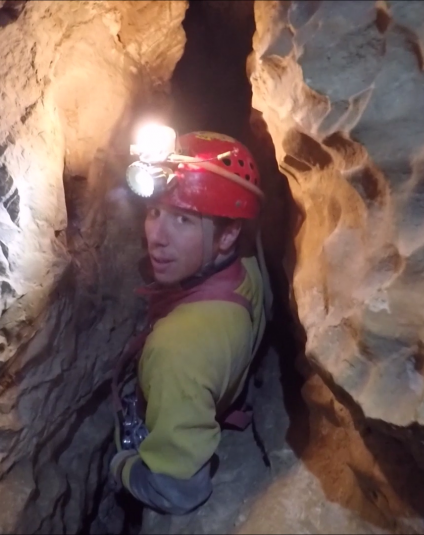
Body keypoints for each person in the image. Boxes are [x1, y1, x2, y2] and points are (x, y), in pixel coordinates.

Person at [109, 130, 270, 516]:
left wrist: (121, 467)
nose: (156, 238)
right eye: (155, 212)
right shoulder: (244, 261)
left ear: (228, 234)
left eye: (183, 219)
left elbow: (178, 491)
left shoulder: (177, 350)